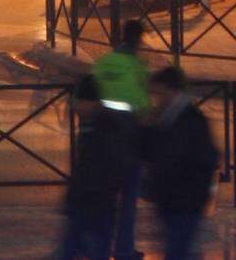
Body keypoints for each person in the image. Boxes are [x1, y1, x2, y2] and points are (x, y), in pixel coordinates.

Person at [143, 66, 218, 260]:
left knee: (179, 252)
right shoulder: (168, 117)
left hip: (184, 202)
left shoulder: (190, 120)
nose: (156, 99)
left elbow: (200, 159)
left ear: (172, 90)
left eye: (159, 93)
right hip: (172, 201)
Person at [93, 19, 150, 260]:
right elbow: (142, 109)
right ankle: (124, 249)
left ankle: (101, 249)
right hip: (129, 141)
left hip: (103, 140)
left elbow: (90, 94)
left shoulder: (105, 62)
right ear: (138, 40)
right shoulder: (136, 67)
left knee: (106, 201)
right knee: (128, 201)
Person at [58, 75, 132, 260]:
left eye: (78, 102)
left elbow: (101, 169)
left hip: (95, 208)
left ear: (90, 102)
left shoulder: (105, 129)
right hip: (87, 206)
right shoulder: (93, 125)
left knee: (87, 250)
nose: (74, 107)